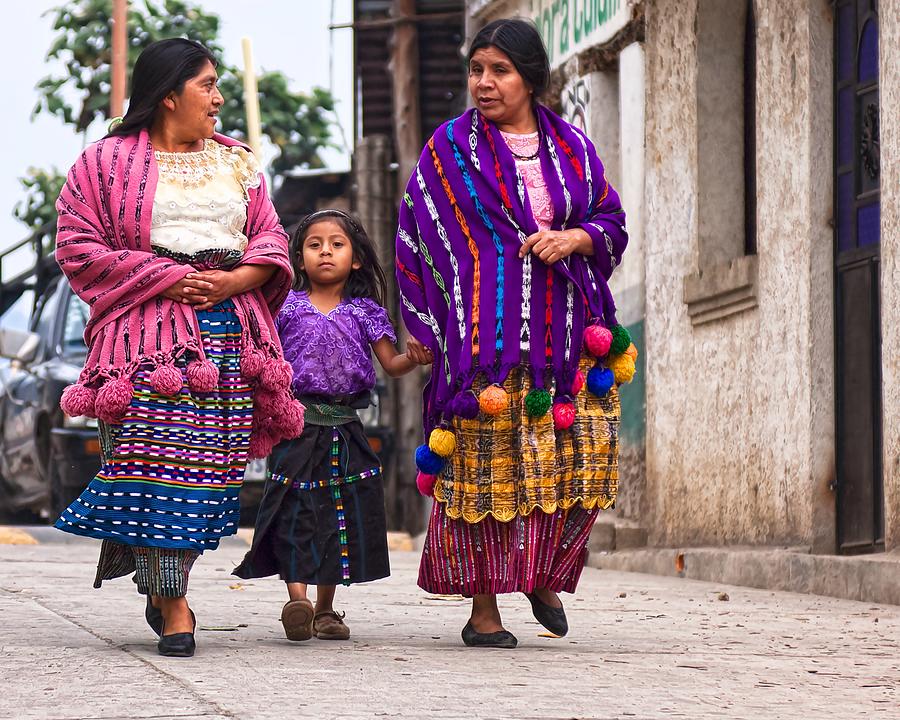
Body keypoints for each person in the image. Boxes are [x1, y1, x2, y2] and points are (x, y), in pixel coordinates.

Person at [53, 38, 304, 658]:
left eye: (220, 86)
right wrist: (167, 277)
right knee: (154, 466)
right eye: (207, 86)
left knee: (208, 477)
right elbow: (77, 247)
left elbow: (270, 239)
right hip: (146, 342)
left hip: (231, 334)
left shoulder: (239, 162)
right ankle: (174, 604)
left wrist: (234, 280)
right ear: (169, 95)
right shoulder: (103, 162)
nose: (219, 100)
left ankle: (166, 580)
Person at [395, 18, 632, 648]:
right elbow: (416, 236)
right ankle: (484, 610)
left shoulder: (574, 149)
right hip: (482, 348)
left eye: (499, 70)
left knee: (571, 467)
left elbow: (610, 218)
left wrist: (575, 237)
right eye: (476, 70)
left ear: (530, 77)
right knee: (484, 471)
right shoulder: (446, 150)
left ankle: (540, 574)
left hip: (567, 343)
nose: (484, 83)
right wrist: (425, 325)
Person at [234, 209, 431, 642]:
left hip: (345, 427)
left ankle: (325, 610)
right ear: (298, 259)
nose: (326, 251)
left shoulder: (366, 312)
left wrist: (414, 359)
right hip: (295, 424)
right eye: (314, 244)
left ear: (356, 258)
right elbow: (265, 361)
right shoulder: (284, 308)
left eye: (337, 244)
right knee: (294, 510)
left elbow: (392, 365)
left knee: (336, 515)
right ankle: (297, 601)